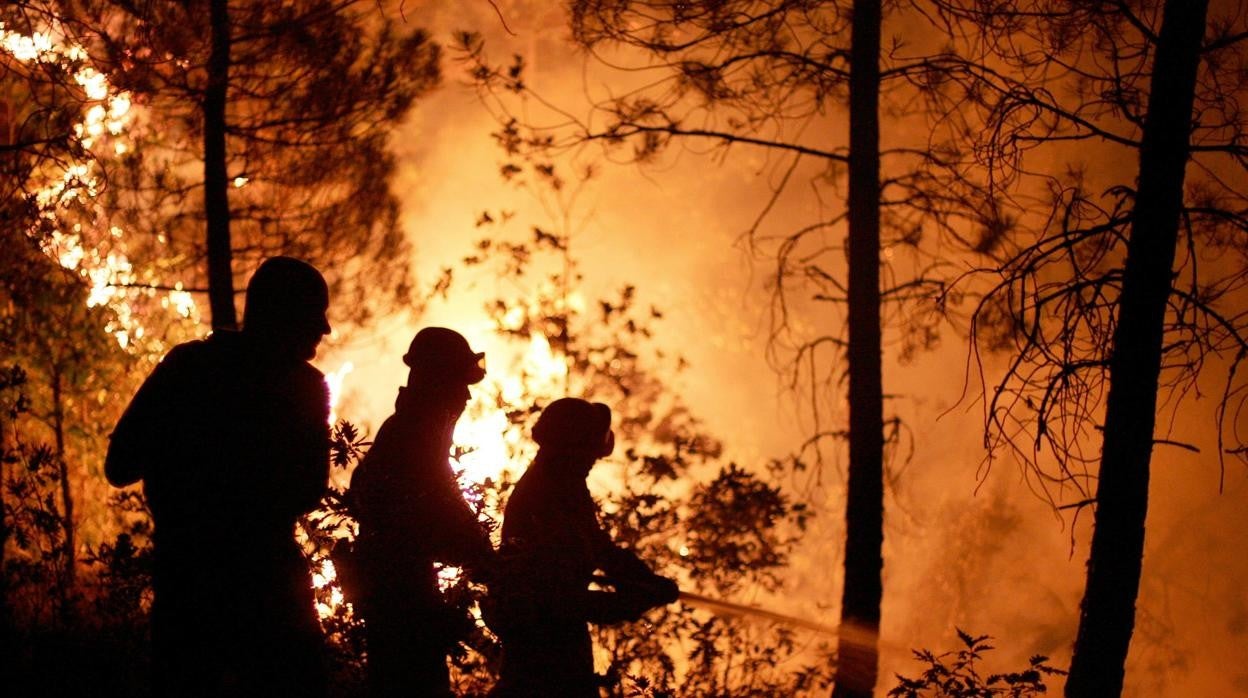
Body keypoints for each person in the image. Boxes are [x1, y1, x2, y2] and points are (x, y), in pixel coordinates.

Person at [105, 256, 332, 697]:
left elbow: (120, 465)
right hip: (273, 600)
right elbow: (308, 490)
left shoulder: (184, 368)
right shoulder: (305, 388)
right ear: (283, 316)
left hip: (185, 593)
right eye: (313, 315)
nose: (323, 330)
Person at [489, 398, 679, 697]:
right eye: (588, 451)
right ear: (568, 449)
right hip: (540, 655)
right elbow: (561, 602)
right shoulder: (541, 497)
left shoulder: (568, 486)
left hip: (564, 647)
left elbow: (598, 546)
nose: (594, 459)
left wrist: (644, 578)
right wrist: (632, 603)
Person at [348, 327, 497, 697]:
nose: (464, 396)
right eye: (458, 384)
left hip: (402, 594)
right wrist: (485, 558)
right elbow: (435, 512)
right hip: (400, 600)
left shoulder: (415, 435)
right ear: (437, 382)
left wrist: (482, 555)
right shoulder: (412, 439)